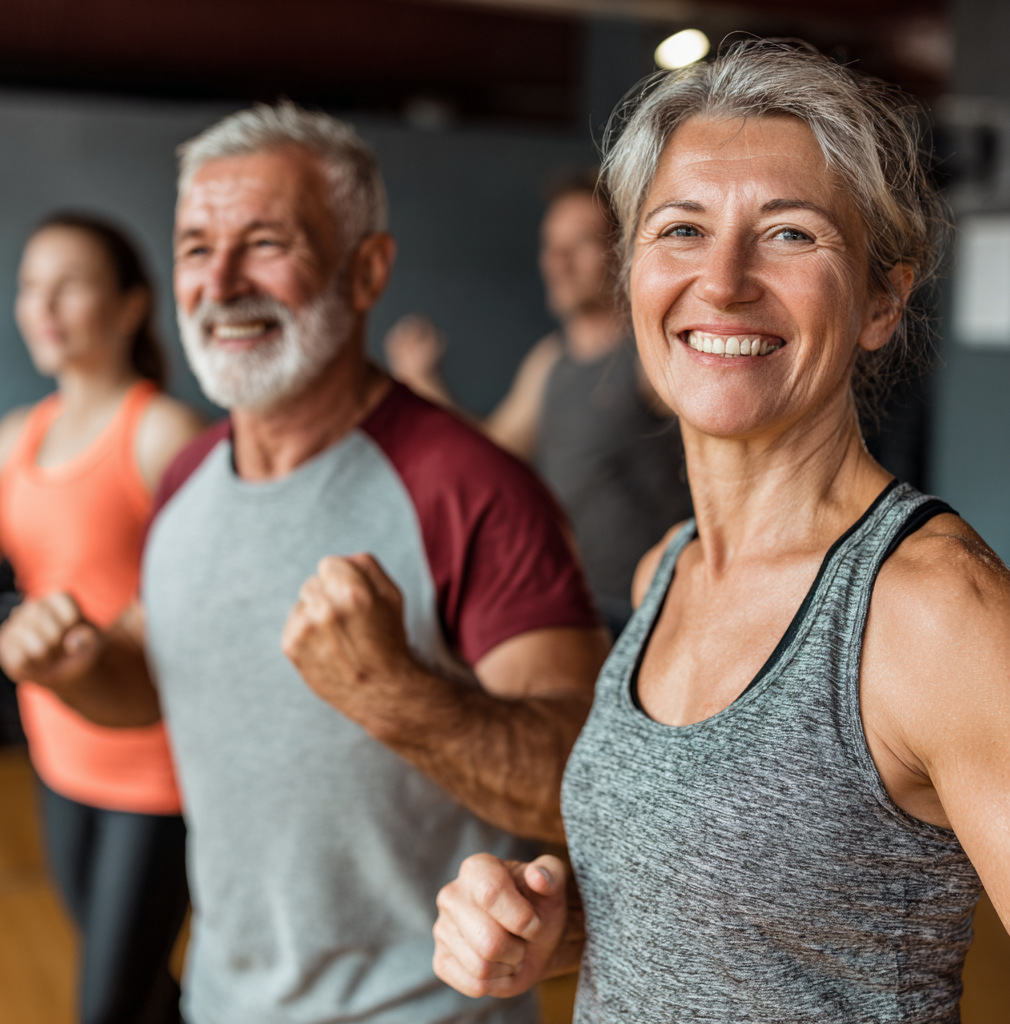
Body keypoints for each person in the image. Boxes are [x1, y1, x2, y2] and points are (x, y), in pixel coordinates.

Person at [0, 102, 608, 1024]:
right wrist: (78, 667)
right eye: (197, 248)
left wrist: (392, 693)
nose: (221, 282)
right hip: (225, 998)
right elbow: (154, 680)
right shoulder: (190, 475)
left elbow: (582, 787)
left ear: (367, 270)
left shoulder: (470, 486)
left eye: (265, 243)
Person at [432, 42, 1010, 1022]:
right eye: (683, 229)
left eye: (789, 234)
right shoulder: (668, 570)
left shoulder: (930, 612)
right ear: (632, 278)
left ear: (881, 301)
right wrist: (550, 927)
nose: (725, 280)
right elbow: (736, 931)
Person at [0, 213, 204, 1023]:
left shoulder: (160, 433)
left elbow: (209, 598)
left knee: (107, 1005)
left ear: (129, 305)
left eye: (69, 285)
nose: (44, 306)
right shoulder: (19, 436)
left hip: (153, 766)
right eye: (30, 287)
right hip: (56, 746)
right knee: (141, 991)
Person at [385, 173, 692, 635]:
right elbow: (490, 450)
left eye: (580, 243)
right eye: (551, 245)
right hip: (576, 612)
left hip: (650, 618)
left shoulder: (651, 359)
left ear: (624, 251)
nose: (558, 261)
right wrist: (424, 382)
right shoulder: (550, 362)